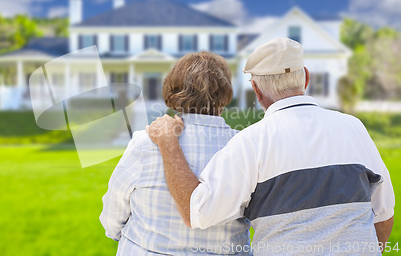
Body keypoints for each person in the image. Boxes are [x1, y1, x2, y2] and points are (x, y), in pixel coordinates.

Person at [146, 38, 395, 255]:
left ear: (256, 90)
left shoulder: (250, 143)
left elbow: (197, 212)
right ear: (305, 78)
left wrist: (168, 143)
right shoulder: (353, 127)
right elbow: (383, 215)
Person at [100, 51, 251, 255]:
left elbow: (114, 211)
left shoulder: (145, 143)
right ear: (225, 94)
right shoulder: (246, 146)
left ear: (173, 90)